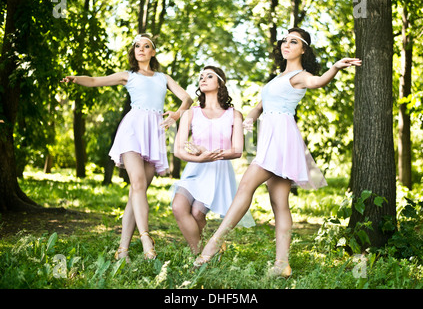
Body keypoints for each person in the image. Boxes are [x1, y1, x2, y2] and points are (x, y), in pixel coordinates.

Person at [193, 28, 361, 277]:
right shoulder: (278, 77)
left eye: (293, 41)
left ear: (303, 49)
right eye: (285, 40)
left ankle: (212, 245)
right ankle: (282, 264)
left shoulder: (301, 75)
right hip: (273, 138)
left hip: (281, 139)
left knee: (245, 188)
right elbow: (261, 105)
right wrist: (249, 119)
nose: (286, 44)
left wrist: (335, 67)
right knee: (279, 203)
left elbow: (318, 82)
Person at [61, 34, 193, 262]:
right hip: (132, 131)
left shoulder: (163, 78)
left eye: (147, 46)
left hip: (154, 133)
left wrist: (176, 115)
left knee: (136, 192)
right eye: (137, 46)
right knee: (138, 184)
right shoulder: (128, 76)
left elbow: (187, 98)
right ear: (134, 52)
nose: (141, 49)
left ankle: (122, 251)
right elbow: (94, 81)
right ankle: (145, 239)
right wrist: (75, 79)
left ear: (153, 52)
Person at [171, 66, 253, 255]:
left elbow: (237, 150)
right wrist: (199, 158)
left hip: (218, 172)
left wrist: (209, 154)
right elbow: (178, 149)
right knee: (178, 206)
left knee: (198, 214)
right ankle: (199, 253)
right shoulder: (190, 113)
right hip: (195, 169)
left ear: (220, 84)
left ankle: (202, 257)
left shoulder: (234, 115)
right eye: (201, 76)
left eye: (209, 76)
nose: (203, 79)